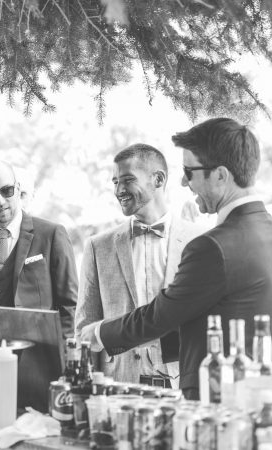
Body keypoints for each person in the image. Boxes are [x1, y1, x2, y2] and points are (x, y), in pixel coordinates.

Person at [80, 118, 272, 400]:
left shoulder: (212, 246)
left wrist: (100, 333)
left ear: (221, 175)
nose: (184, 181)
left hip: (218, 399)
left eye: (190, 171)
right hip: (269, 395)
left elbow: (162, 314)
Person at [75, 144, 206, 387]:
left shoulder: (200, 241)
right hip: (117, 389)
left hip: (183, 387)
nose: (119, 190)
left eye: (127, 180)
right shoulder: (97, 246)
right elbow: (84, 329)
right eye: (115, 182)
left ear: (158, 179)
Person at [0, 160, 78, 336]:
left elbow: (70, 304)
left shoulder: (52, 234)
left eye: (7, 191)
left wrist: (63, 355)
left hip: (38, 354)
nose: (0, 201)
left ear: (18, 188)